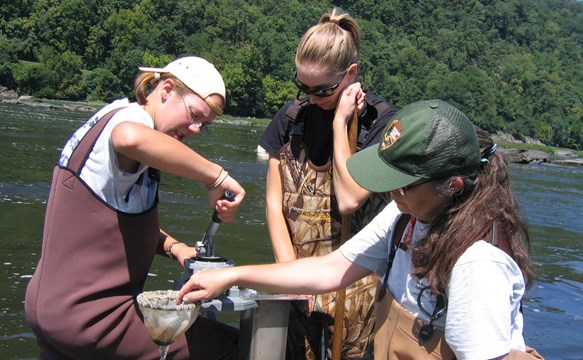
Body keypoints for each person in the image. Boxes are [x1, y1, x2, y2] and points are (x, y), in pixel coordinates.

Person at [178, 99, 544, 360]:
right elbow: (330, 269)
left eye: (403, 183)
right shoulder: (405, 215)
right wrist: (234, 277)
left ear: (453, 186)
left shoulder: (477, 264)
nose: (391, 192)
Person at [24, 56, 245, 360]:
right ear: (167, 90)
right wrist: (215, 177)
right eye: (194, 115)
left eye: (204, 126)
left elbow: (112, 223)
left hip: (50, 310)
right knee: (233, 347)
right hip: (94, 320)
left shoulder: (112, 117)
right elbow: (129, 138)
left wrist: (174, 248)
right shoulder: (132, 123)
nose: (195, 129)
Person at [257, 7, 397, 359]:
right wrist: (292, 277)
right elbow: (274, 203)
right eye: (302, 86)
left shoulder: (381, 124)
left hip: (357, 286)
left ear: (351, 74)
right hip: (298, 275)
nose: (311, 98)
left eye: (321, 90)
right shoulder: (291, 118)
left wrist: (341, 123)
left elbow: (350, 201)